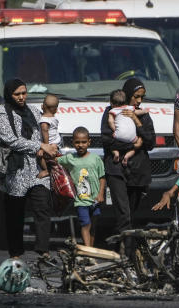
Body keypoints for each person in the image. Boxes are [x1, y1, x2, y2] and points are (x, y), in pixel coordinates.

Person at [0, 78, 60, 258]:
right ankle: (15, 254)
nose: (22, 97)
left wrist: (52, 146)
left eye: (24, 93)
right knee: (15, 215)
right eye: (17, 94)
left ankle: (43, 251)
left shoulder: (33, 111)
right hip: (16, 172)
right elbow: (11, 140)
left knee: (42, 208)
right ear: (9, 94)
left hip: (38, 169)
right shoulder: (2, 113)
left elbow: (46, 131)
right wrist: (39, 146)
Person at [99, 78, 156, 241]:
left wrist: (136, 121)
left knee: (131, 212)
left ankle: (122, 247)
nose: (139, 101)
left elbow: (151, 142)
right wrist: (135, 144)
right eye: (136, 97)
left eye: (142, 98)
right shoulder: (111, 112)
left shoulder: (142, 116)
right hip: (116, 169)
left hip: (137, 172)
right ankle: (126, 253)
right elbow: (107, 139)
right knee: (124, 213)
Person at [56, 127, 106, 246]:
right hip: (81, 201)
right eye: (77, 142)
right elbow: (55, 161)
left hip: (95, 200)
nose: (80, 145)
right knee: (85, 224)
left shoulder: (96, 159)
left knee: (93, 227)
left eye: (83, 142)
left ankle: (91, 251)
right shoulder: (70, 158)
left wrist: (100, 194)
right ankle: (87, 252)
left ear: (89, 142)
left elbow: (102, 178)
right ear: (73, 143)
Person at [107, 89, 140, 165]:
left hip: (119, 135)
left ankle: (116, 153)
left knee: (112, 147)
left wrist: (115, 130)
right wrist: (144, 111)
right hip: (133, 137)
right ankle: (127, 156)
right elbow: (137, 112)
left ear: (111, 103)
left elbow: (110, 121)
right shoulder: (130, 108)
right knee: (135, 148)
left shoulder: (113, 110)